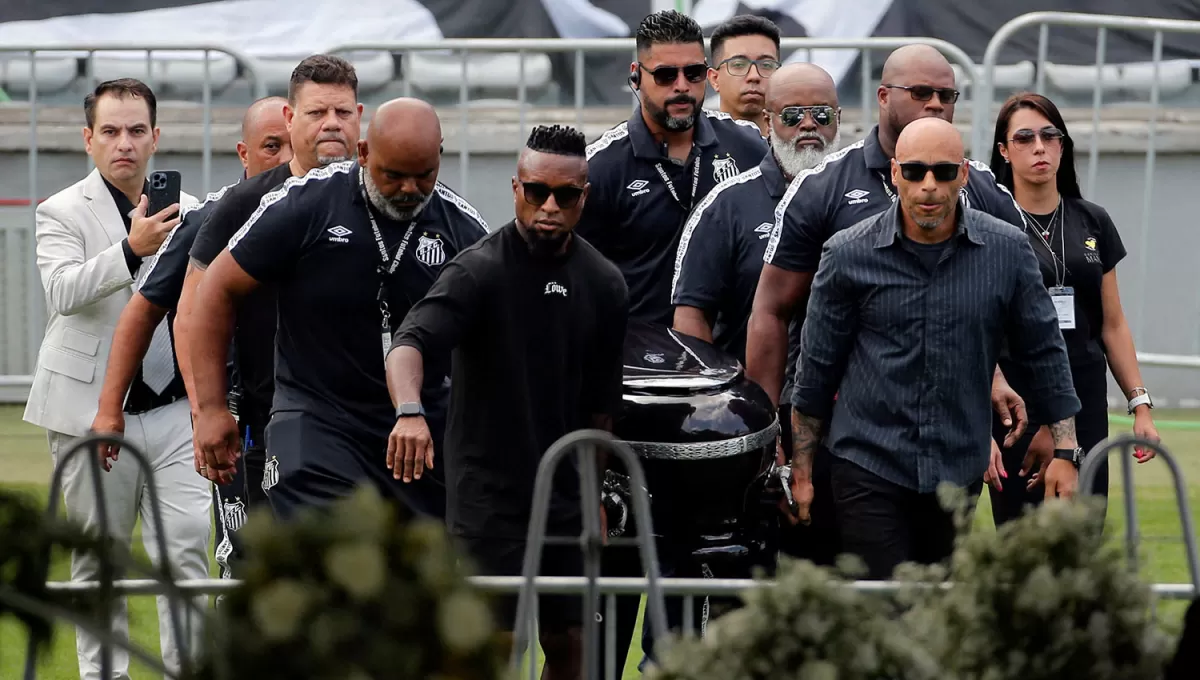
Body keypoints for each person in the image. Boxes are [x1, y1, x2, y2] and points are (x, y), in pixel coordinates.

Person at [746, 44, 1031, 528]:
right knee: (844, 583)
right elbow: (771, 312)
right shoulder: (823, 186)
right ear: (882, 96)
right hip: (839, 429)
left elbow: (1016, 310)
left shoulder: (980, 188)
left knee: (930, 585)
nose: (936, 104)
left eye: (947, 95)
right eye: (921, 92)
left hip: (946, 436)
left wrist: (997, 380)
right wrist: (765, 429)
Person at [789, 117, 1083, 580]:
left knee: (936, 616)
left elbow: (1044, 351)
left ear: (964, 174)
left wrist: (1066, 452)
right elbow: (816, 371)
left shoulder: (1006, 250)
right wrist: (802, 471)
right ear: (894, 172)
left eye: (944, 172)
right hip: (868, 462)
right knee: (887, 611)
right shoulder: (847, 254)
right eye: (915, 171)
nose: (929, 186)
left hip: (957, 468)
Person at [387, 124, 629, 680]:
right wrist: (408, 412)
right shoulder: (479, 270)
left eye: (565, 195)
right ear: (515, 188)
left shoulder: (604, 283)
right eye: (536, 191)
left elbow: (600, 408)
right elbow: (409, 343)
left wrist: (594, 492)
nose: (549, 206)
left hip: (567, 498)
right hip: (488, 497)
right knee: (489, 646)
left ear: (583, 198)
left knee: (573, 644)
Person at [188, 98, 489, 521]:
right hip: (316, 416)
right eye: (393, 175)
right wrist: (212, 408)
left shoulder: (462, 229)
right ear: (363, 153)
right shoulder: (308, 202)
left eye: (424, 176)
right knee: (332, 556)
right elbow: (215, 289)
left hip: (415, 422)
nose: (409, 190)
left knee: (414, 574)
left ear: (439, 155)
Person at [23, 78, 208, 680]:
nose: (123, 143)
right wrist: (130, 249)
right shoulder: (60, 210)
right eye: (110, 131)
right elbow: (63, 291)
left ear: (156, 138)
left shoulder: (196, 211)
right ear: (88, 139)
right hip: (88, 410)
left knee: (186, 554)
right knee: (97, 563)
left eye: (135, 131)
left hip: (178, 408)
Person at [90, 95, 291, 583]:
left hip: (324, 415)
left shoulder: (340, 210)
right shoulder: (214, 218)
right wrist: (110, 408)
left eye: (290, 144)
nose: (284, 159)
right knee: (246, 562)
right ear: (244, 154)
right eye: (271, 146)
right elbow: (144, 311)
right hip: (244, 420)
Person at [674, 62, 843, 568]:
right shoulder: (727, 205)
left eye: (821, 114)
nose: (808, 126)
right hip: (756, 422)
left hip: (850, 424)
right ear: (767, 123)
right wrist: (727, 412)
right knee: (751, 577)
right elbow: (690, 319)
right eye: (793, 115)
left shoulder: (866, 201)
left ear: (840, 119)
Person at [176, 54, 362, 510]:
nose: (331, 125)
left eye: (342, 113)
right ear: (291, 116)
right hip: (265, 423)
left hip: (367, 426)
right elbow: (190, 311)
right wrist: (207, 410)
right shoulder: (244, 205)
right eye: (317, 113)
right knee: (267, 572)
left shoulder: (386, 198)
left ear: (361, 117)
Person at [987, 92, 1160, 523]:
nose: (1040, 147)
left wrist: (1140, 405)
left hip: (1085, 399)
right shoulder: (991, 225)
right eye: (1024, 138)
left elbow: (1113, 325)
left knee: (1083, 543)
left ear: (1063, 146)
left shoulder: (1092, 220)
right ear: (1004, 151)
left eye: (1050, 136)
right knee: (1022, 548)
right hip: (1016, 409)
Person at [579, 9, 767, 327]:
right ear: (636, 76)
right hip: (636, 364)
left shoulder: (747, 147)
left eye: (693, 73)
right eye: (666, 75)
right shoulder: (600, 165)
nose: (682, 86)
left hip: (728, 362)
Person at [706, 14, 781, 137]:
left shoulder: (796, 148)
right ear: (714, 79)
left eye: (766, 65)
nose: (754, 76)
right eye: (739, 64)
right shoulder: (694, 150)